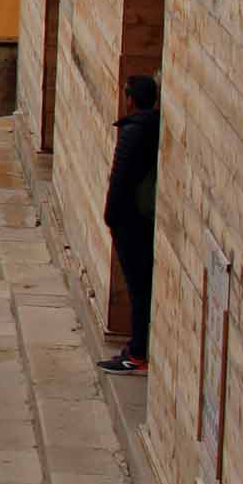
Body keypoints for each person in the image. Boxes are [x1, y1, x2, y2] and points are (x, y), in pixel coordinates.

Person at [99, 73, 161, 374]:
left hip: (130, 220)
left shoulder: (134, 132)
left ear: (131, 99)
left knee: (137, 287)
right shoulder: (152, 127)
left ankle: (136, 353)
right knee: (141, 286)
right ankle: (136, 347)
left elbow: (120, 178)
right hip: (143, 217)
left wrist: (110, 216)